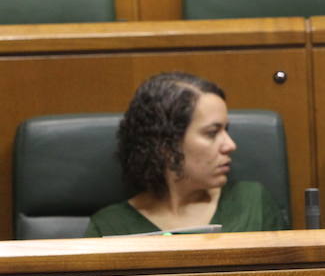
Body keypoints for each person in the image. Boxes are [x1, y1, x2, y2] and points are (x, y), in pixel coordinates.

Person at [85, 72, 286, 237]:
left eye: (227, 130)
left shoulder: (252, 203)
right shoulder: (110, 227)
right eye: (212, 133)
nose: (230, 145)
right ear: (165, 144)